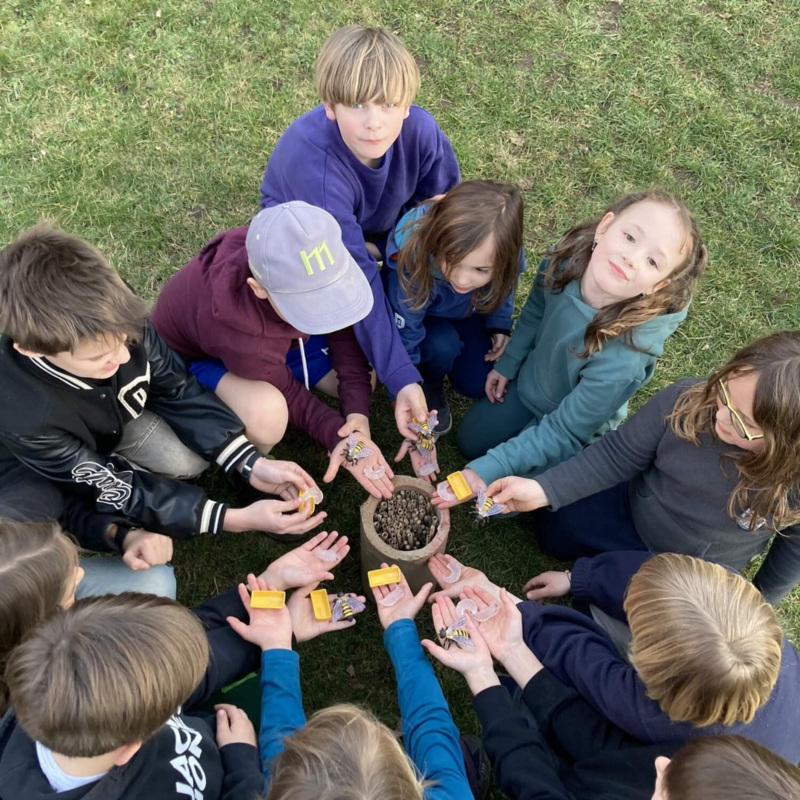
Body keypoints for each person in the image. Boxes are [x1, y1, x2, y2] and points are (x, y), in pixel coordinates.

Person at [0, 224, 327, 562]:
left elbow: (175, 386)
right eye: (100, 357)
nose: (126, 358)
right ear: (33, 351)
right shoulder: (22, 415)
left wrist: (250, 463)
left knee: (185, 461)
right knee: (128, 484)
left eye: (126, 340)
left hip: (115, 420)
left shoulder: (115, 310)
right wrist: (234, 519)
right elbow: (112, 486)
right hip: (61, 460)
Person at [0, 530, 359, 797]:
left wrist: (273, 601)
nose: (81, 578)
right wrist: (241, 765)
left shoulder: (81, 695)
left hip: (212, 732)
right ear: (131, 745)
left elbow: (190, 665)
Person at [433, 190, 707, 508]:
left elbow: (565, 430)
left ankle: (562, 470)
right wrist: (509, 363)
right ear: (605, 227)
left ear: (657, 286)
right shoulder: (563, 261)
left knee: (500, 496)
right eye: (630, 237)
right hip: (532, 386)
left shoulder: (626, 357)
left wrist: (486, 471)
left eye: (651, 261)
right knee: (470, 441)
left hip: (571, 427)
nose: (631, 258)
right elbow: (536, 310)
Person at [486, 330, 800, 604]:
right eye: (724, 394)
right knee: (554, 529)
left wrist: (759, 599)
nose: (721, 418)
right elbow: (616, 454)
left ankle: (598, 579)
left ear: (788, 443)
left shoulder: (793, 482)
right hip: (634, 509)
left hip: (689, 568)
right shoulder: (685, 401)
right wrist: (543, 489)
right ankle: (603, 572)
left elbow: (794, 548)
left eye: (744, 424)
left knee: (642, 621)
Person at [259, 25, 461, 447]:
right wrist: (400, 375)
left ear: (407, 106)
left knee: (435, 325)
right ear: (329, 105)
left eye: (389, 104)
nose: (374, 123)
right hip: (307, 246)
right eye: (357, 104)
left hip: (380, 237)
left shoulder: (421, 132)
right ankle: (314, 357)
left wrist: (388, 251)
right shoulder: (314, 164)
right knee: (357, 351)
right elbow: (352, 273)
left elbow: (442, 207)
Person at [423, 587, 800, 800]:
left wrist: (481, 675)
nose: (660, 764)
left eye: (666, 785)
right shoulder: (675, 766)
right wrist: (514, 652)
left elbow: (533, 784)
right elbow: (606, 751)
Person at [151, 202, 394, 499]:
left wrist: (356, 412)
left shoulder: (274, 254)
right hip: (193, 361)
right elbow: (288, 393)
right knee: (267, 415)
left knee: (363, 382)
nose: (322, 310)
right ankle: (248, 473)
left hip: (272, 336)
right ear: (258, 288)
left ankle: (290, 352)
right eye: (307, 303)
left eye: (325, 294)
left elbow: (338, 320)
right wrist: (335, 434)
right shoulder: (243, 338)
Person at [234, 564, 479, 800]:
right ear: (409, 776)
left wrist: (277, 646)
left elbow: (282, 747)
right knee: (456, 756)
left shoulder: (284, 783)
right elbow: (431, 723)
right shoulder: (451, 793)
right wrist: (401, 629)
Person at [384, 181, 525, 437]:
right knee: (441, 346)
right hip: (426, 319)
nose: (461, 280)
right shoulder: (413, 259)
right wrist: (405, 385)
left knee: (476, 384)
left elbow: (507, 284)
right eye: (451, 261)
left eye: (481, 270)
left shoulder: (504, 249)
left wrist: (499, 322)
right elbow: (405, 332)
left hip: (469, 312)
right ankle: (431, 384)